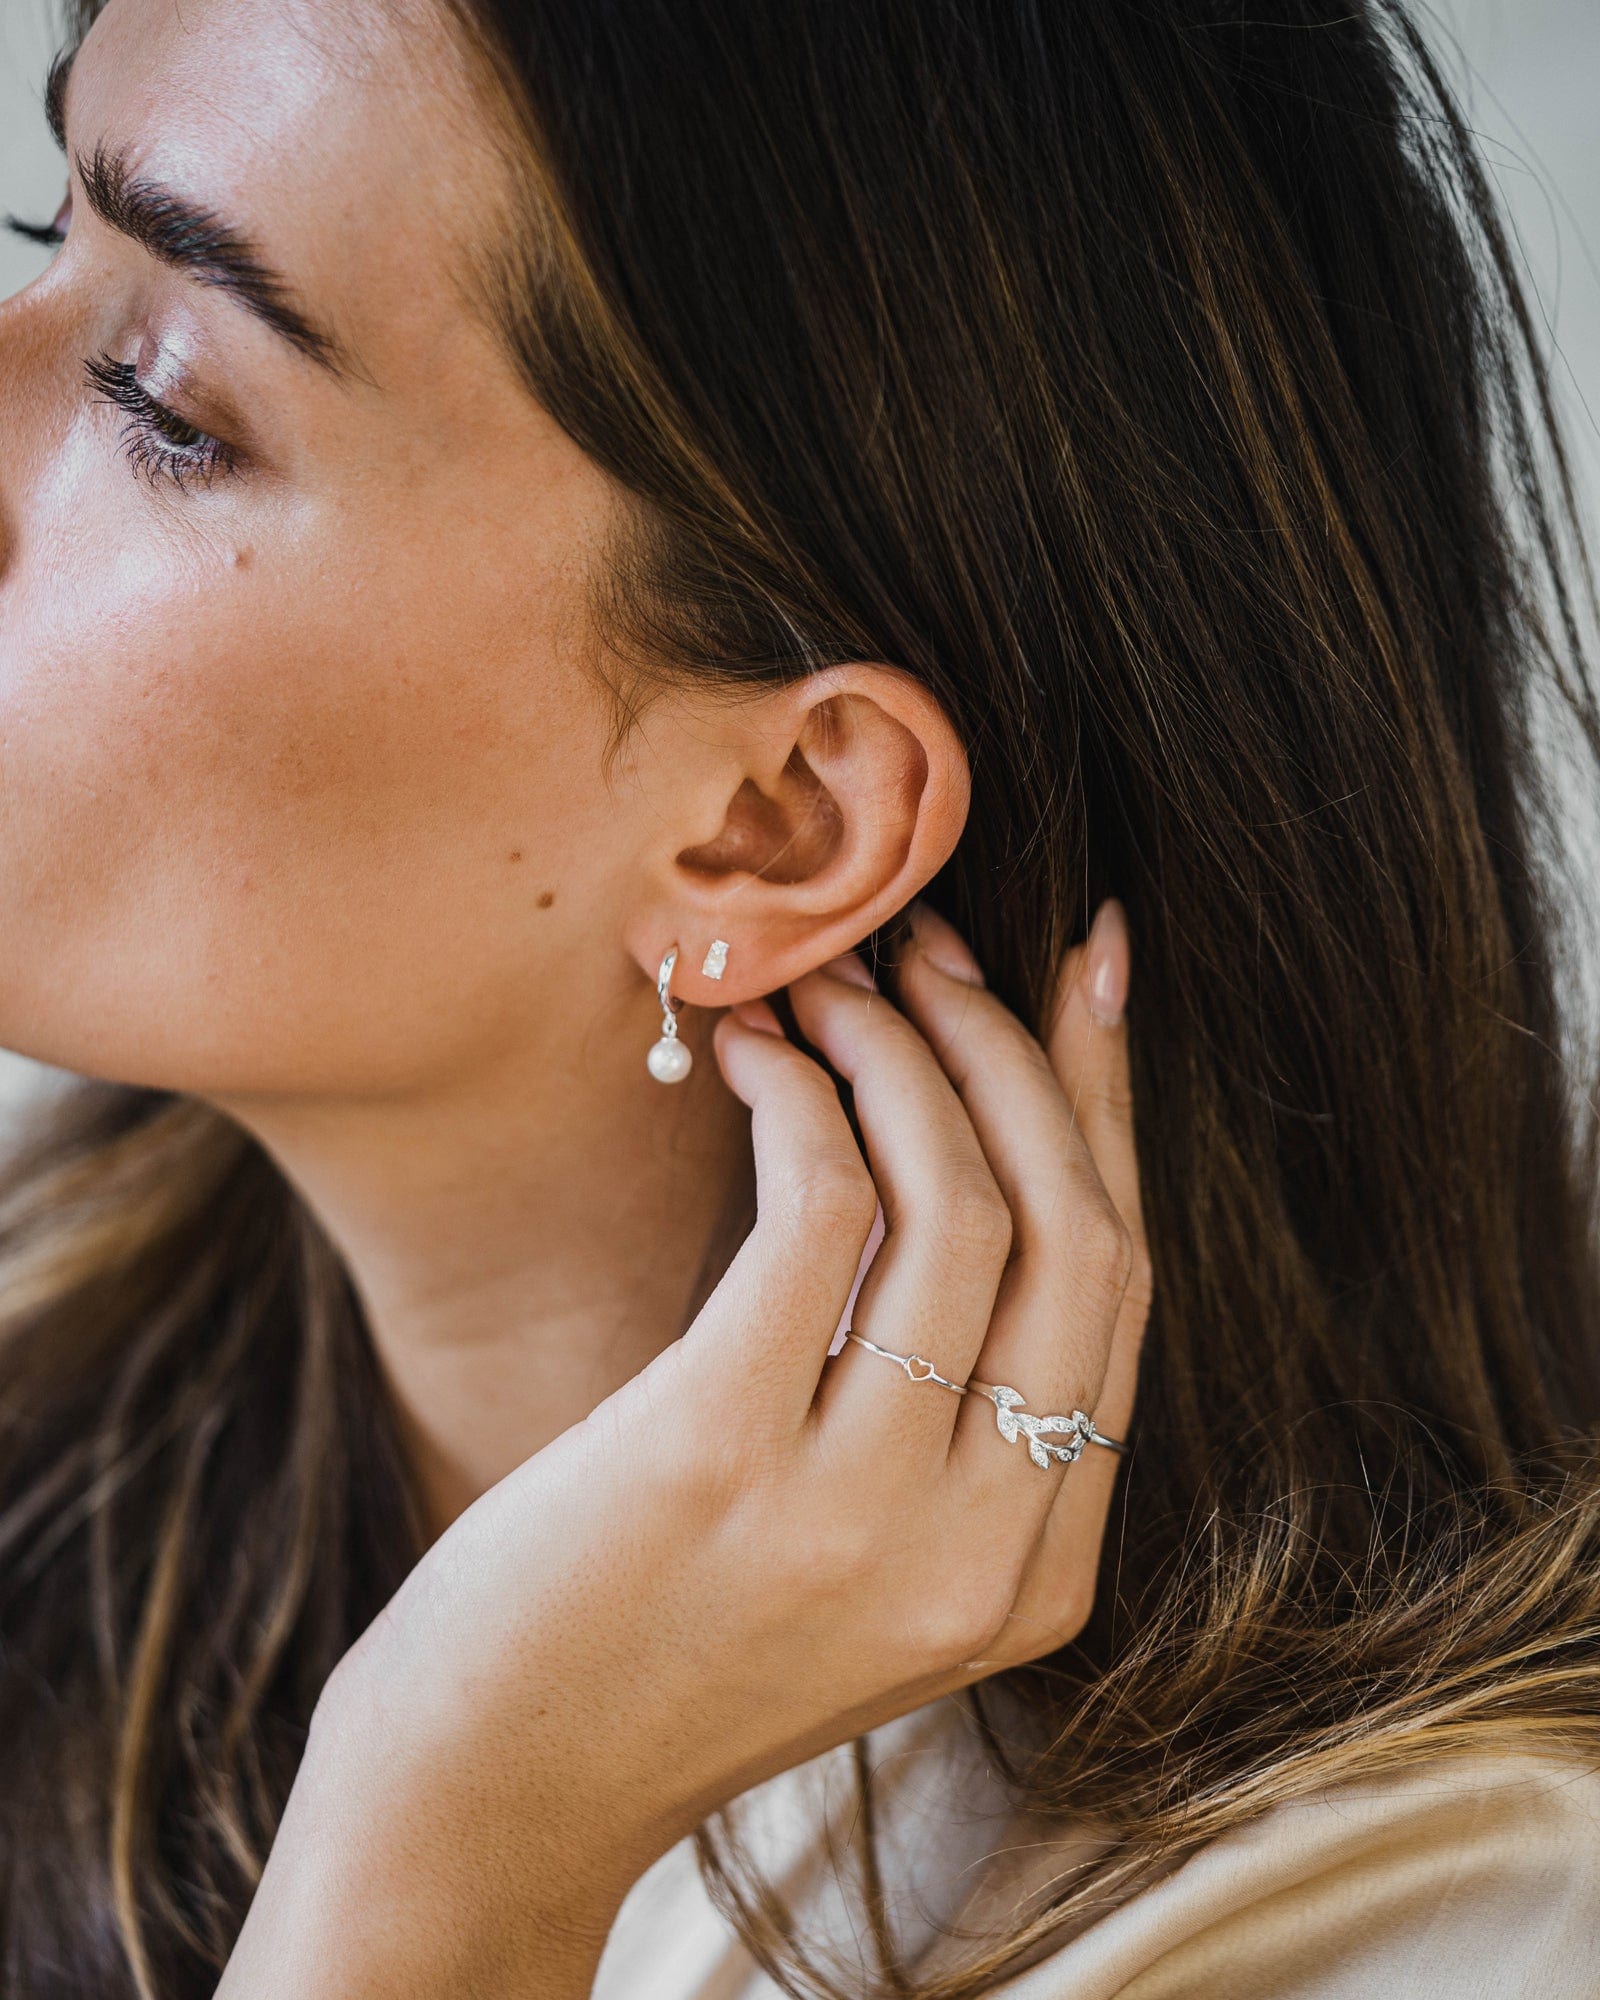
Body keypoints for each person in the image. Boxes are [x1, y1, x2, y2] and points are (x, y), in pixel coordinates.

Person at [0, 0, 1597, 1994]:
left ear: (772, 824)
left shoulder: (1430, 1928)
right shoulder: (64, 1436)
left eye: (161, 394)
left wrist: (443, 1854)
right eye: (34, 230)